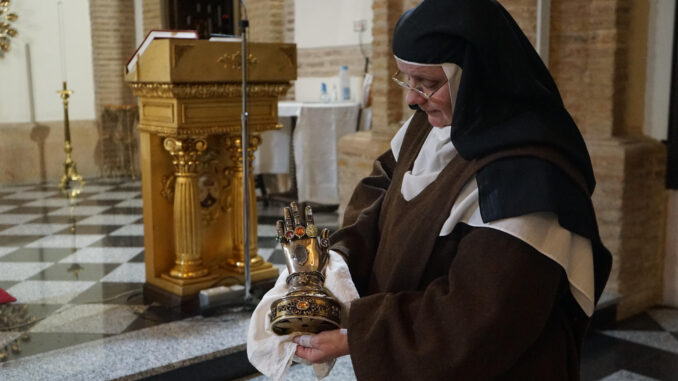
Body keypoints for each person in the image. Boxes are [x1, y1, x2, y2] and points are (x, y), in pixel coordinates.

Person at [292, 0, 612, 379]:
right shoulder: (430, 125)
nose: (412, 98)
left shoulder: (527, 177)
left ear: (477, 76)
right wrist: (334, 267)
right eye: (407, 80)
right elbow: (379, 192)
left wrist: (359, 334)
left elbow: (480, 321)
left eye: (426, 84)